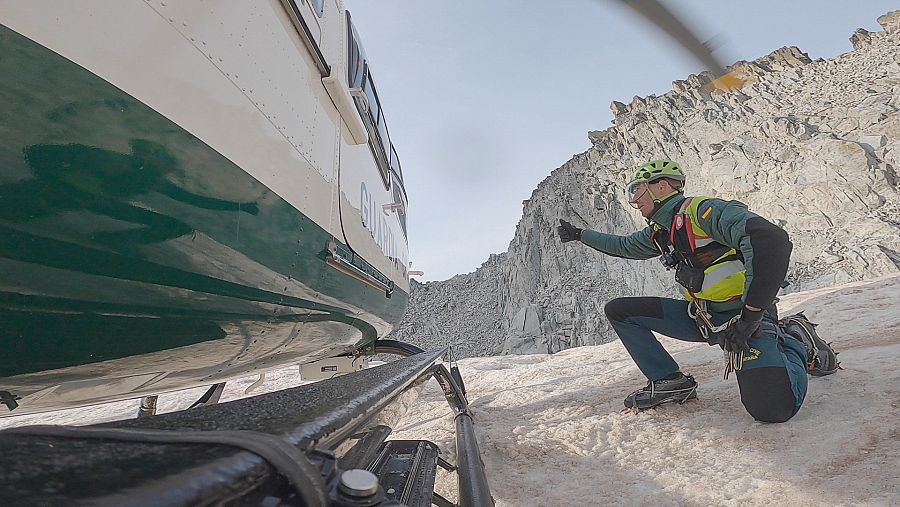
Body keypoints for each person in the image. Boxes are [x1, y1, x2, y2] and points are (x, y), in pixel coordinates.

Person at [557, 160, 837, 423]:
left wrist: (752, 315)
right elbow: (624, 246)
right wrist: (580, 235)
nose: (634, 200)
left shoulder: (703, 211)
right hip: (703, 318)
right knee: (620, 311)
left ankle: (797, 338)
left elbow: (770, 239)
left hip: (744, 320)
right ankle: (669, 381)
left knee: (772, 409)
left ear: (661, 187)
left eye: (637, 190)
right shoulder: (661, 231)